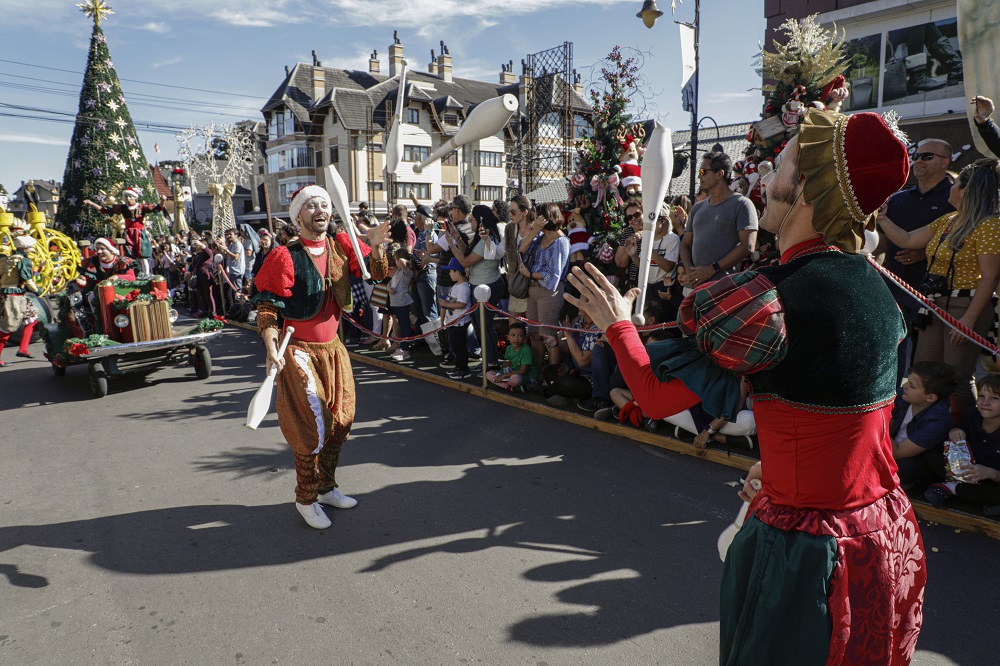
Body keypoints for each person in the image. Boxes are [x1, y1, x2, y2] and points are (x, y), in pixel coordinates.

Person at [566, 108, 924, 664]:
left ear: (807, 187)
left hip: (807, 553)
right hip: (884, 534)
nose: (764, 178)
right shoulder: (876, 286)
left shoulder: (765, 298)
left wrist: (616, 324)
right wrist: (778, 467)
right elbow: (854, 420)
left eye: (779, 165)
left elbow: (655, 395)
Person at [254, 184, 390, 530]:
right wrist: (271, 344)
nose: (320, 210)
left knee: (342, 421)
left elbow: (376, 273)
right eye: (311, 205)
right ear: (298, 215)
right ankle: (306, 497)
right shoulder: (285, 256)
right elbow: (267, 308)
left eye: (324, 205)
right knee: (312, 426)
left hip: (334, 349)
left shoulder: (342, 245)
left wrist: (374, 245)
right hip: (298, 350)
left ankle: (326, 487)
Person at [877, 158, 1000, 415]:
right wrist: (882, 217)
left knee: (956, 380)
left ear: (967, 192)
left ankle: (961, 439)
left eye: (955, 184)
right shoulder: (949, 220)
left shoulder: (989, 225)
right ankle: (929, 434)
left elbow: (990, 277)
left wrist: (968, 318)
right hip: (934, 304)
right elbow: (908, 240)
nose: (951, 188)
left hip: (965, 304)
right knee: (924, 373)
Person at [880, 137, 956, 385]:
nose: (918, 160)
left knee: (927, 366)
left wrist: (926, 252)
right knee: (892, 355)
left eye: (927, 156)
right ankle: (893, 407)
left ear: (946, 161)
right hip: (894, 287)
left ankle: (927, 415)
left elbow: (965, 239)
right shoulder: (898, 198)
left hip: (935, 293)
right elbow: (880, 241)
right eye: (917, 155)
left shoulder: (956, 198)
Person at [681, 151, 758, 290]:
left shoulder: (742, 204)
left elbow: (748, 245)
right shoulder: (697, 208)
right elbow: (685, 244)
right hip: (692, 289)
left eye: (703, 171)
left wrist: (712, 269)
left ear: (719, 174)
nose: (699, 176)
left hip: (724, 290)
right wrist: (689, 271)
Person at [925, 373, 1000, 515]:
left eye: (994, 398)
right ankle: (979, 498)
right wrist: (955, 431)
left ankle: (950, 488)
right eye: (981, 396)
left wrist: (991, 473)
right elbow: (959, 444)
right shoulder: (972, 414)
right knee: (930, 454)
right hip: (969, 473)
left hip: (994, 478)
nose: (985, 402)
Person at [451, 204, 505, 374]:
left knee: (485, 326)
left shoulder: (486, 238)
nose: (469, 221)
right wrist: (456, 238)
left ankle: (492, 364)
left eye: (472, 218)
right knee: (479, 325)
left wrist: (450, 244)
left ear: (481, 220)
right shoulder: (481, 237)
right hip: (480, 284)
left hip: (487, 285)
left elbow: (466, 262)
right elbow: (467, 254)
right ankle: (486, 362)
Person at [518, 202, 570, 371]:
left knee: (548, 336)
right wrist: (534, 230)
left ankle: (552, 376)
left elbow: (554, 273)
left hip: (549, 291)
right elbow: (521, 249)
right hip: (533, 290)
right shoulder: (540, 237)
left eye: (537, 216)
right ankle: (537, 371)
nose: (533, 219)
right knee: (534, 335)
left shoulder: (560, 241)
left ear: (546, 217)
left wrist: (529, 274)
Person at [891, 361, 957, 487]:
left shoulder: (937, 421)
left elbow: (898, 452)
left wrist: (876, 423)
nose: (904, 386)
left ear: (931, 398)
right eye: (907, 381)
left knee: (889, 468)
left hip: (923, 462)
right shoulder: (904, 396)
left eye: (912, 386)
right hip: (895, 448)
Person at [83, 188, 166, 275]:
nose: (128, 199)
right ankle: (133, 274)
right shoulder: (122, 208)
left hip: (140, 234)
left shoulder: (142, 207)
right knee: (130, 255)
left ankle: (147, 274)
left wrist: (162, 200)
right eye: (126, 197)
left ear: (135, 197)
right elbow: (105, 210)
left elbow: (158, 208)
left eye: (130, 196)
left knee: (143, 255)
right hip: (128, 234)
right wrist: (91, 203)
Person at [0, 235, 40, 366]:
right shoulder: (24, 260)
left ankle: (23, 349)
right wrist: (36, 290)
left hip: (12, 295)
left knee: (32, 320)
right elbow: (26, 278)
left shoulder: (6, 259)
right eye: (30, 247)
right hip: (14, 297)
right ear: (25, 248)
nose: (32, 249)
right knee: (7, 327)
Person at [438, 257, 473, 380]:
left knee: (460, 347)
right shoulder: (456, 286)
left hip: (460, 323)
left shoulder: (463, 287)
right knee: (456, 346)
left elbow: (462, 304)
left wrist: (446, 304)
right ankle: (458, 366)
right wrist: (443, 320)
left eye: (451, 271)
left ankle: (464, 369)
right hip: (453, 322)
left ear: (457, 272)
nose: (449, 273)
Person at [486, 321, 533, 392]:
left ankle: (504, 384)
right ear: (508, 337)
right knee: (488, 374)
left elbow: (522, 371)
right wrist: (507, 364)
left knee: (515, 379)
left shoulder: (526, 350)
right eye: (513, 335)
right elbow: (511, 361)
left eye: (520, 336)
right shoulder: (509, 348)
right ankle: (508, 387)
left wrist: (504, 375)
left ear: (524, 338)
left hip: (525, 375)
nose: (516, 339)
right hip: (512, 371)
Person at [386, 248, 414, 362]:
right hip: (395, 302)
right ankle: (402, 346)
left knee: (404, 325)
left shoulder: (406, 272)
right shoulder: (397, 272)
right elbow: (390, 283)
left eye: (396, 260)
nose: (396, 262)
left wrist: (405, 261)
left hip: (402, 301)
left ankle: (405, 350)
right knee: (401, 325)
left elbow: (402, 261)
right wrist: (389, 288)